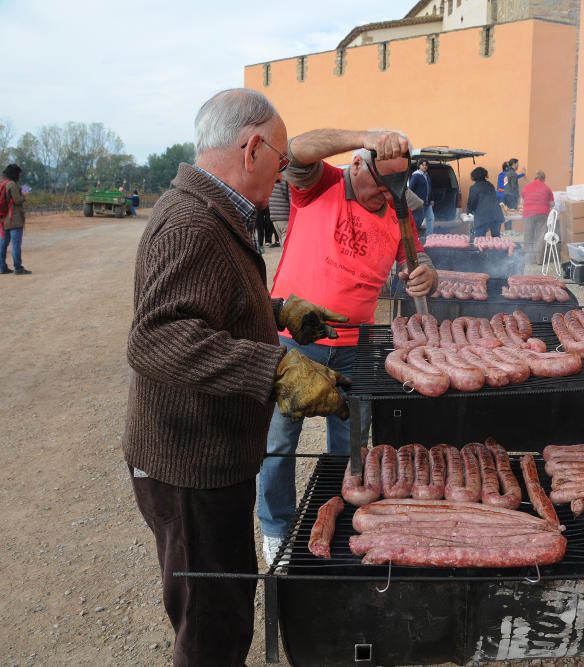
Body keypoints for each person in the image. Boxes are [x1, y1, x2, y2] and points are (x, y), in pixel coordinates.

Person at [123, 88, 353, 666]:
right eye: (280, 159)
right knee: (212, 627)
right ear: (251, 148)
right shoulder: (192, 224)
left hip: (209, 459)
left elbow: (206, 307)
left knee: (223, 604)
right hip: (189, 466)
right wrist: (272, 365)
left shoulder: (214, 211)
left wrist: (275, 313)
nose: (282, 173)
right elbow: (157, 339)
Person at [256, 128, 439, 564]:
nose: (386, 195)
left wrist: (426, 273)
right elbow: (296, 150)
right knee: (280, 442)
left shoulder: (398, 210)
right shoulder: (321, 184)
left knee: (353, 447)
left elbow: (417, 258)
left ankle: (336, 517)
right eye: (379, 184)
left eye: (395, 187)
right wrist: (367, 134)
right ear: (357, 165)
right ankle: (277, 527)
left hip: (358, 345)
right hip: (295, 339)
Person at [520, 170, 555, 264]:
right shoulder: (547, 188)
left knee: (528, 235)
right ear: (544, 179)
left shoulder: (527, 187)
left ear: (534, 178)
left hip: (528, 214)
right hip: (542, 214)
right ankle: (539, 260)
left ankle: (529, 259)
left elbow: (522, 200)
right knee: (540, 236)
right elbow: (552, 204)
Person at [0, 164, 30, 275]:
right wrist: (25, 196)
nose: (19, 176)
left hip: (3, 219)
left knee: (3, 244)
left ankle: (2, 267)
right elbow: (17, 200)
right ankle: (18, 268)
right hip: (15, 219)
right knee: (16, 244)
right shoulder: (12, 184)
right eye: (18, 174)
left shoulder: (2, 183)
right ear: (14, 174)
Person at [466, 166, 505, 237]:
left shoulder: (474, 187)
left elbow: (471, 203)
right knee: (496, 238)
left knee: (480, 239)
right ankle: (498, 248)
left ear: (474, 176)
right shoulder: (490, 185)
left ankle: (480, 248)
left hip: (482, 217)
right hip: (496, 214)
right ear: (485, 175)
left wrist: (469, 212)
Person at [408, 158, 435, 236]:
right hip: (419, 203)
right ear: (419, 166)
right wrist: (415, 201)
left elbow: (430, 188)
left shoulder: (427, 176)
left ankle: (429, 236)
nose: (425, 166)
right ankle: (414, 236)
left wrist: (432, 199)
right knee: (418, 221)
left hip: (427, 203)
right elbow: (410, 190)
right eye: (422, 165)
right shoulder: (416, 176)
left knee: (431, 218)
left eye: (426, 165)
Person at [268, 179, 290, 243]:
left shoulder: (273, 174)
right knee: (288, 246)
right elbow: (292, 200)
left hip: (274, 216)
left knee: (283, 243)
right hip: (285, 216)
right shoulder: (287, 175)